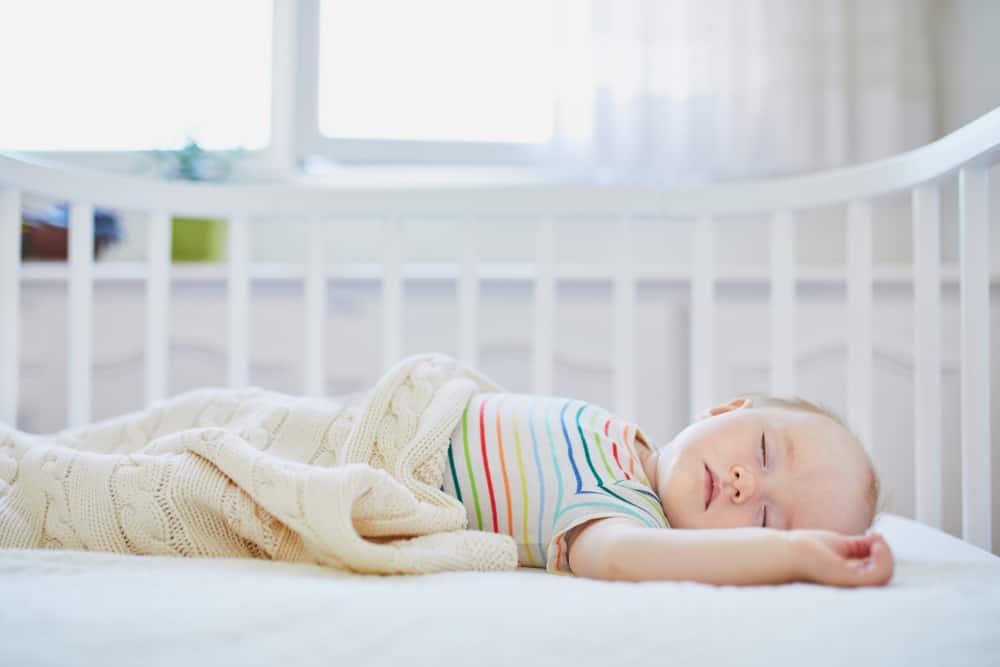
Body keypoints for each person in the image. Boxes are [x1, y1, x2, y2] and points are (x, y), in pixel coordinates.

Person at [442, 391, 894, 587]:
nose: (746, 484)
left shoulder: (627, 514)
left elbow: (619, 558)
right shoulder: (625, 441)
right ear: (723, 411)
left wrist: (793, 554)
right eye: (762, 450)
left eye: (766, 520)